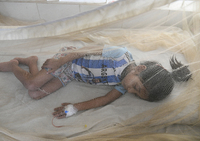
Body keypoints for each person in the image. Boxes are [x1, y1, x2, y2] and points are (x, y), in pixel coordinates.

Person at [0, 45, 191, 119]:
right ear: (140, 69)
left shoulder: (121, 85)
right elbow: (85, 51)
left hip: (69, 75)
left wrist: (74, 108)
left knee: (35, 94)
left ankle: (32, 62)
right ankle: (11, 66)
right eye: (136, 86)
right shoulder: (120, 55)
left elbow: (103, 100)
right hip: (67, 59)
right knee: (32, 84)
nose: (130, 90)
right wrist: (59, 61)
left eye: (136, 93)